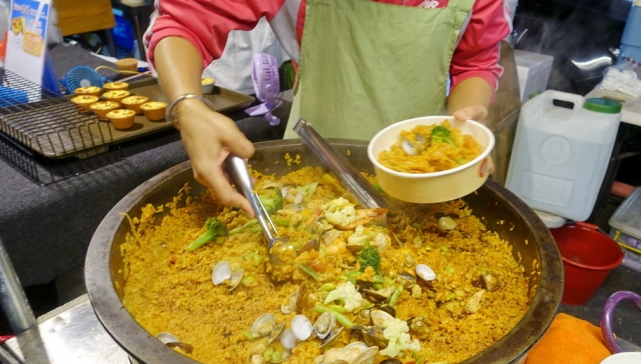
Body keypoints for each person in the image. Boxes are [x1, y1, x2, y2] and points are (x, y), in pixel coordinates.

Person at [145, 0, 511, 216]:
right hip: (312, 167)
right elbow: (185, 19)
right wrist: (188, 105)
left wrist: (468, 119)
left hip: (424, 180)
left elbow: (475, 63)